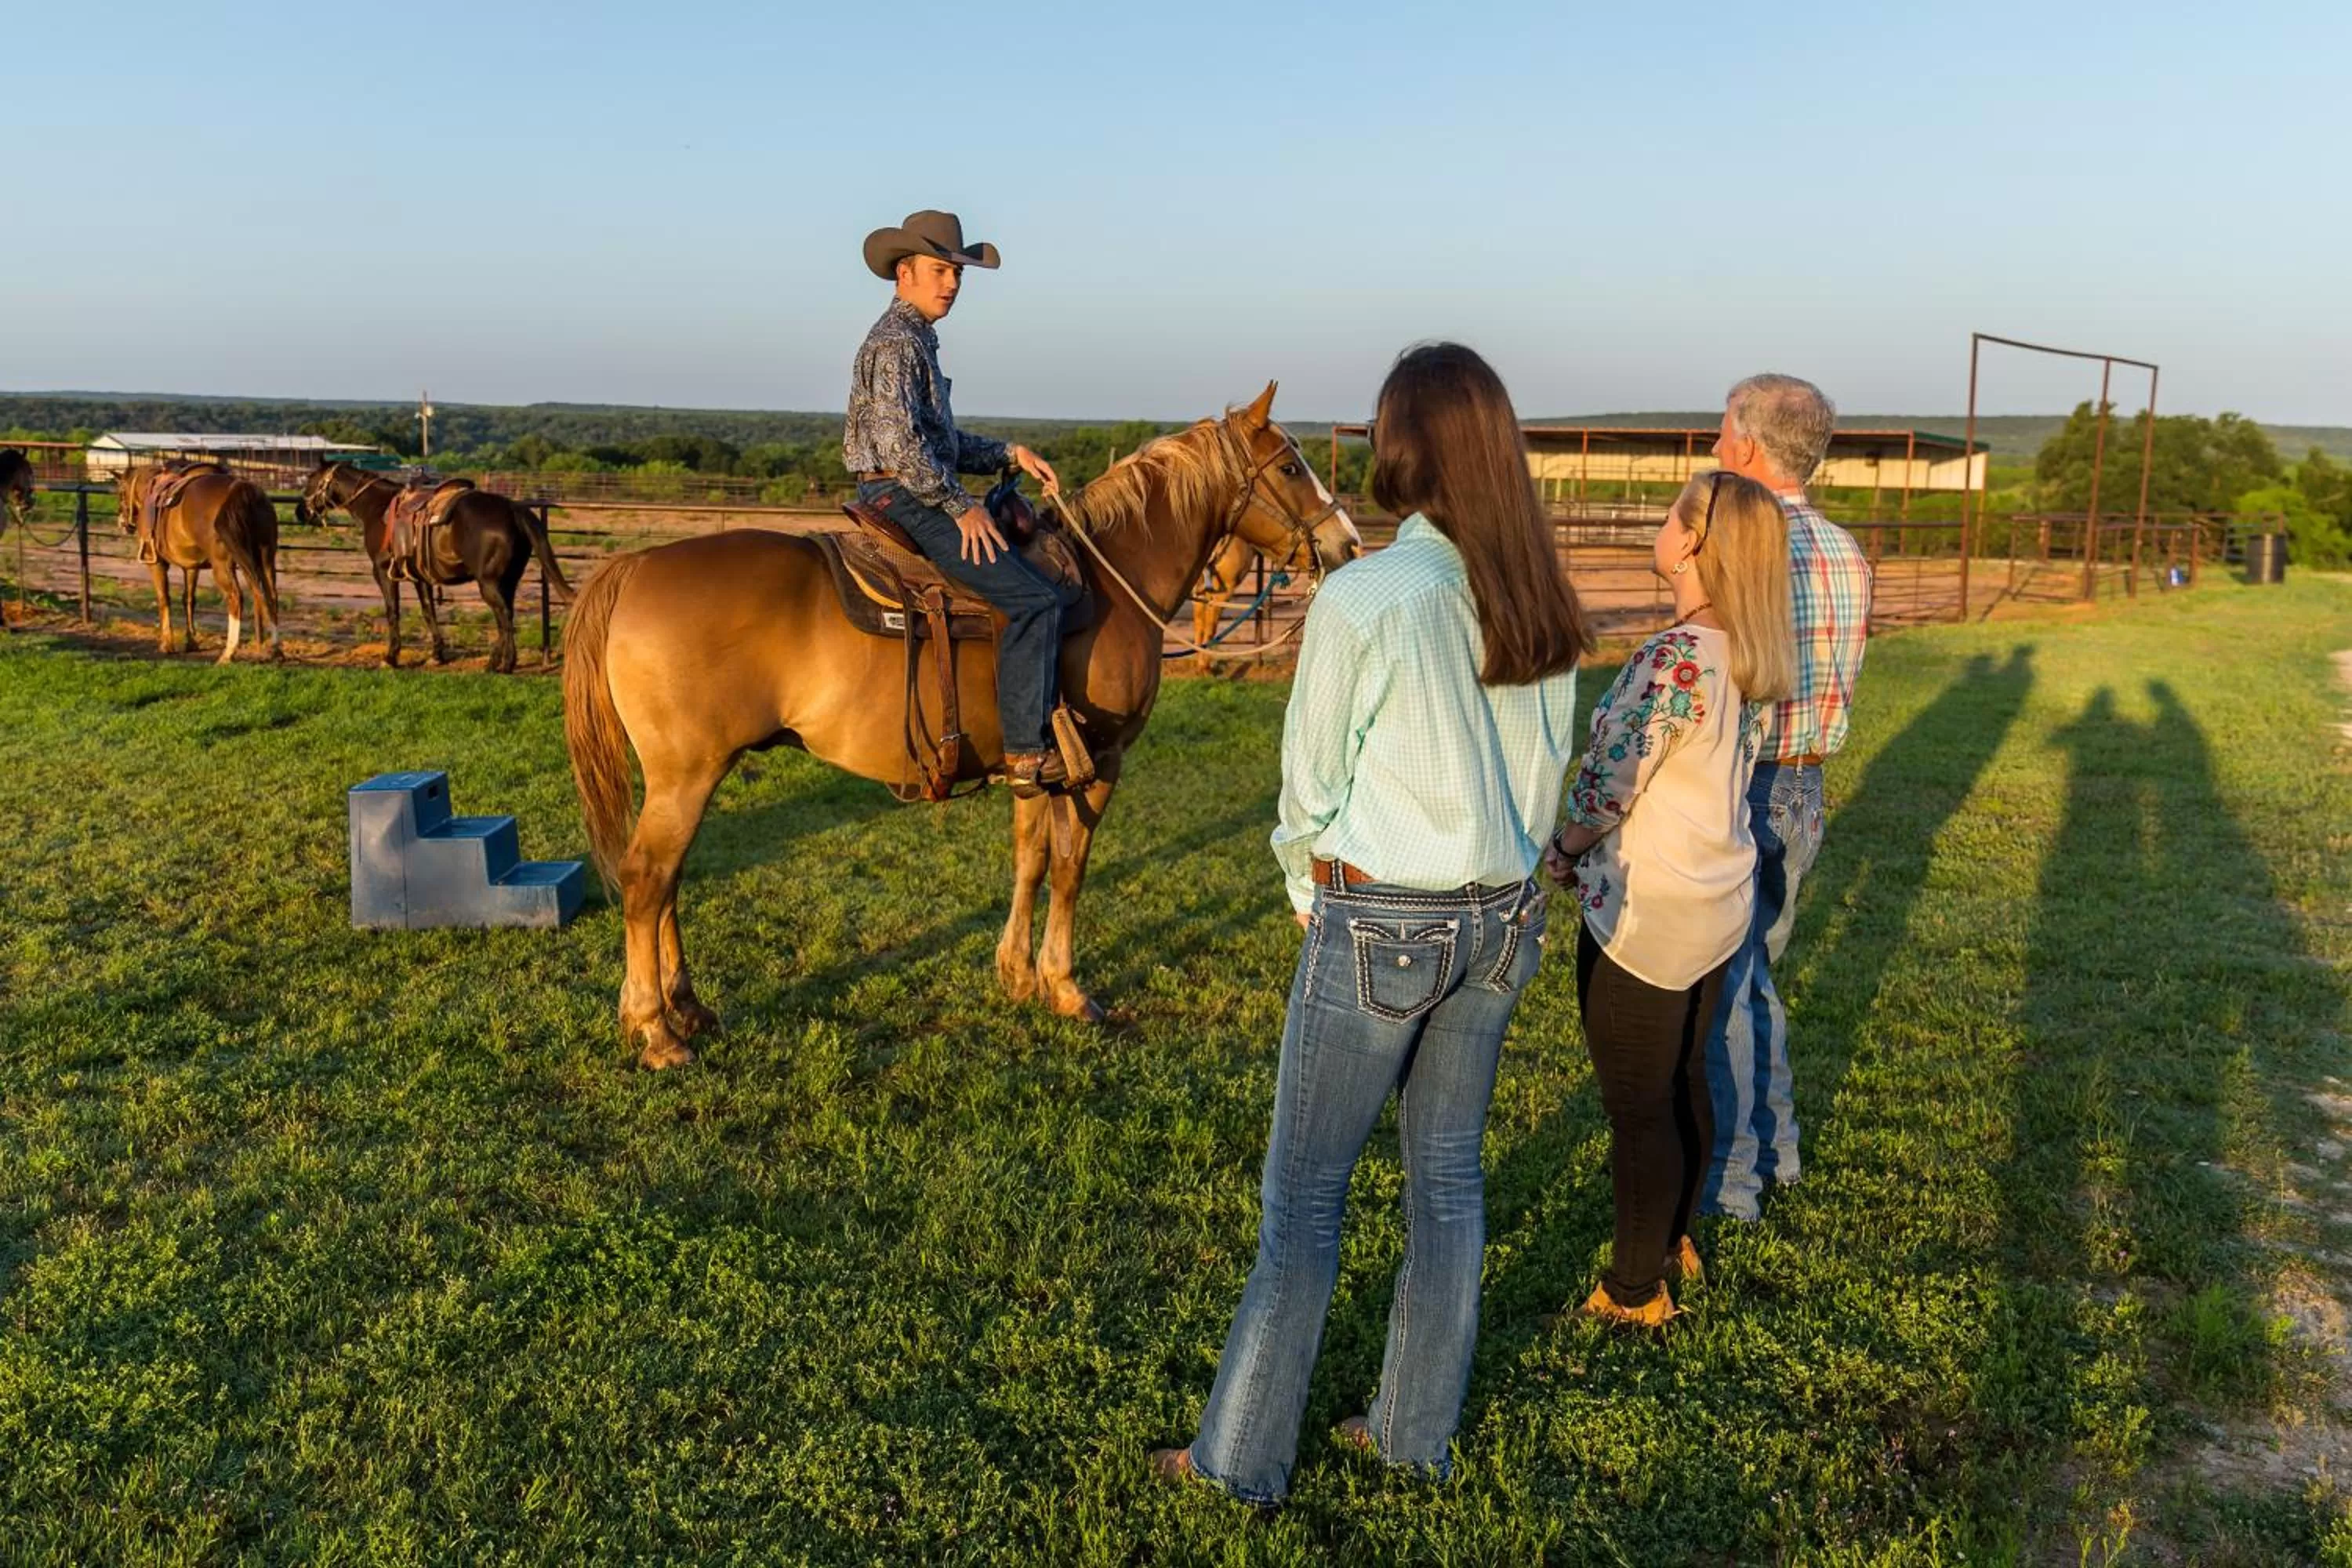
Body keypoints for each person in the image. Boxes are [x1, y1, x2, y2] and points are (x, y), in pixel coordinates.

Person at [1153, 343, 1591, 1505]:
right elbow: (1544, 780)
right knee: (1448, 1185)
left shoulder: (1368, 597)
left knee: (1303, 1201)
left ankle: (1237, 1461)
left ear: (1402, 448)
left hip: (1380, 920)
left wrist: (1310, 893)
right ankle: (1413, 1434)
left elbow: (1309, 786)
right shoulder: (1536, 598)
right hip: (1500, 922)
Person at [1542, 470, 1797, 1324]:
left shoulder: (1672, 657)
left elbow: (1611, 779)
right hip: (1717, 903)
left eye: (1668, 515)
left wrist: (1565, 846)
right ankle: (1676, 1237)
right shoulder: (1742, 650)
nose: (1659, 525)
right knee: (1688, 1075)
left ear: (1690, 543)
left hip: (1647, 914)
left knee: (1637, 1107)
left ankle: (1632, 1289)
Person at [1699, 375, 1871, 1220]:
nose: (1716, 442)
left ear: (1748, 443)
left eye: (1724, 427)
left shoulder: (1751, 543)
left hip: (1751, 778)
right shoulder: (1847, 548)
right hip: (1808, 783)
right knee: (1758, 970)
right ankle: (1778, 1145)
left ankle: (1733, 1176)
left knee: (1730, 979)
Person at [843, 209, 1069, 794]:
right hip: (904, 493)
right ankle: (1025, 751)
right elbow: (901, 445)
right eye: (941, 270)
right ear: (905, 272)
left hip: (906, 483)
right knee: (1035, 599)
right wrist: (959, 505)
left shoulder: (917, 339)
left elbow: (939, 441)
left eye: (958, 275)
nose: (951, 284)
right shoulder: (897, 343)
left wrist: (1007, 454)